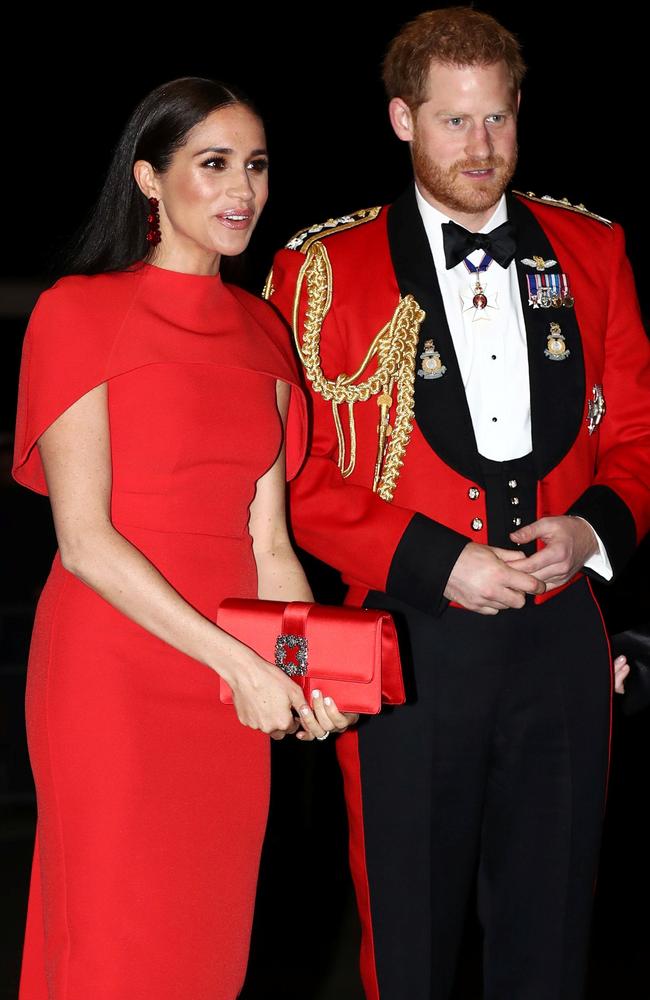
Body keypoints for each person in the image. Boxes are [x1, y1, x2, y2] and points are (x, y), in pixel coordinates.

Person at [266, 9, 650, 999]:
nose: (481, 150)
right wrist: (441, 562)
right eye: (453, 123)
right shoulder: (317, 271)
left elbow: (634, 441)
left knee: (550, 931)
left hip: (564, 638)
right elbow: (291, 476)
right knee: (407, 933)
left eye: (497, 121)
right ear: (401, 119)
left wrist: (588, 533)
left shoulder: (591, 249)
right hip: (405, 642)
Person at [12, 76, 356, 1000]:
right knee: (118, 939)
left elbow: (270, 541)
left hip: (230, 676)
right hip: (114, 669)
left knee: (206, 946)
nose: (242, 189)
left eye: (255, 166)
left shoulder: (263, 330)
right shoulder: (77, 312)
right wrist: (244, 664)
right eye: (213, 165)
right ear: (150, 181)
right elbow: (84, 542)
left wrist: (307, 665)